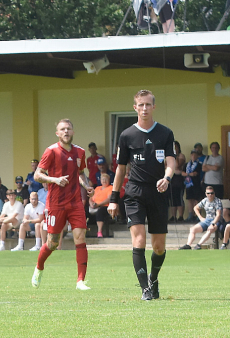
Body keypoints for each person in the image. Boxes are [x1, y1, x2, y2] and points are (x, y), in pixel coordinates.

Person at [108, 90, 178, 300]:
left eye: (148, 104)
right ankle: (144, 290)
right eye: (141, 105)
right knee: (138, 241)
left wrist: (167, 178)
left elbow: (171, 161)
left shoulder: (165, 133)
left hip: (158, 193)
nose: (145, 108)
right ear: (135, 108)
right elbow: (120, 169)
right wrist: (113, 199)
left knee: (158, 247)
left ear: (153, 107)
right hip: (134, 193)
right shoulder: (126, 135)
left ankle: (153, 279)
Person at [30, 119, 93, 290]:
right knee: (53, 243)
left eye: (69, 129)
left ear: (73, 132)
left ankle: (80, 281)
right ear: (57, 133)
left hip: (75, 203)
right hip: (56, 204)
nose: (66, 132)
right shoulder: (51, 152)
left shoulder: (80, 152)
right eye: (62, 129)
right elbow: (37, 175)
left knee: (80, 237)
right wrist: (54, 179)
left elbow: (80, 173)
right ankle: (39, 267)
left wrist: (86, 185)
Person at [88, 173, 113, 238]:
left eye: (106, 179)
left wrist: (98, 205)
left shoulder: (110, 188)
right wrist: (91, 204)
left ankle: (99, 231)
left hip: (105, 206)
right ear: (100, 180)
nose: (104, 181)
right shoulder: (97, 188)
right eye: (103, 179)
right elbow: (91, 198)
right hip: (94, 206)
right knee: (83, 210)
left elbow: (109, 199)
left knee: (100, 211)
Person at [184, 149, 204, 223]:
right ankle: (190, 215)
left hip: (196, 184)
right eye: (192, 155)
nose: (193, 156)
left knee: (196, 200)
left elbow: (196, 173)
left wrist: (190, 174)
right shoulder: (187, 165)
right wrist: (189, 174)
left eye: (195, 155)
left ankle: (197, 215)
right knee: (190, 200)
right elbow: (183, 173)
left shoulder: (199, 164)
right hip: (188, 184)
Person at [169, 141, 186, 221]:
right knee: (172, 198)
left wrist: (175, 156)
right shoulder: (169, 156)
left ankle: (181, 216)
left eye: (176, 147)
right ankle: (173, 216)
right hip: (172, 178)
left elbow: (178, 165)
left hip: (179, 178)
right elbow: (166, 165)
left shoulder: (181, 156)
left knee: (179, 198)